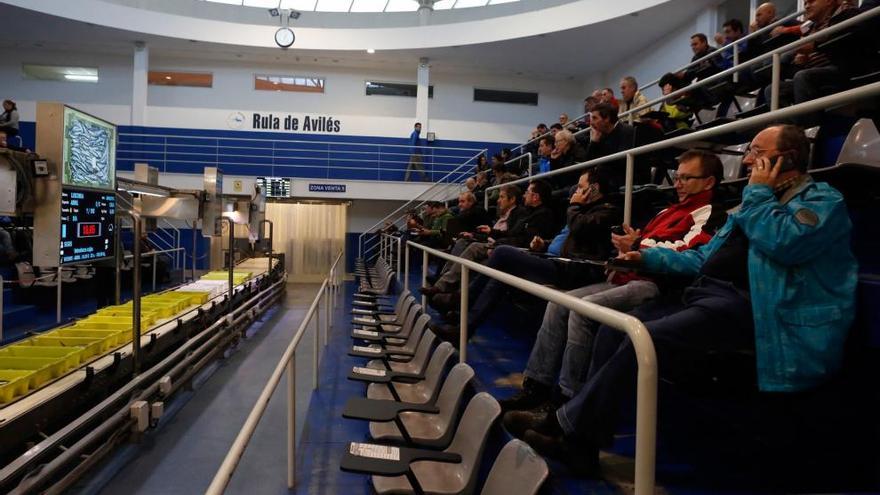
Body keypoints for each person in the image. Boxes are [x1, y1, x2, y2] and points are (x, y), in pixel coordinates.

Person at [505, 125, 857, 476]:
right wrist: (648, 259)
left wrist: (758, 196)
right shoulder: (752, 204)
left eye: (757, 152)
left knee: (644, 339)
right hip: (705, 291)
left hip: (755, 308)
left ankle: (568, 427)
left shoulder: (821, 202)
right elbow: (703, 258)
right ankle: (583, 441)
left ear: (786, 159)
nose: (748, 159)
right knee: (614, 329)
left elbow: (788, 243)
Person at [500, 150, 727, 413]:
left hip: (657, 284)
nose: (677, 184)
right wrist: (627, 246)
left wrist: (638, 245)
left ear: (709, 182)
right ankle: (536, 386)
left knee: (582, 310)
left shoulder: (709, 212)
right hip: (626, 275)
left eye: (687, 178)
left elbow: (688, 251)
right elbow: (644, 241)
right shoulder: (667, 210)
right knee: (557, 303)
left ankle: (566, 399)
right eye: (677, 177)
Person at [428, 170, 621, 343]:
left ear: (594, 189)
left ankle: (462, 301)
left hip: (570, 270)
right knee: (500, 274)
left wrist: (574, 206)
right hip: (552, 260)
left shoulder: (606, 211)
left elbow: (580, 228)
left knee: (501, 254)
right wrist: (543, 244)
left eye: (581, 187)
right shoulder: (583, 211)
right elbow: (567, 240)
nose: (575, 192)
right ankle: (464, 328)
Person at [585, 103, 638, 189]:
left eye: (595, 118)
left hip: (620, 180)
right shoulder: (600, 134)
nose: (591, 123)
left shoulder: (626, 131)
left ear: (607, 118)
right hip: (604, 179)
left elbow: (620, 162)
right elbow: (587, 164)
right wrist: (594, 142)